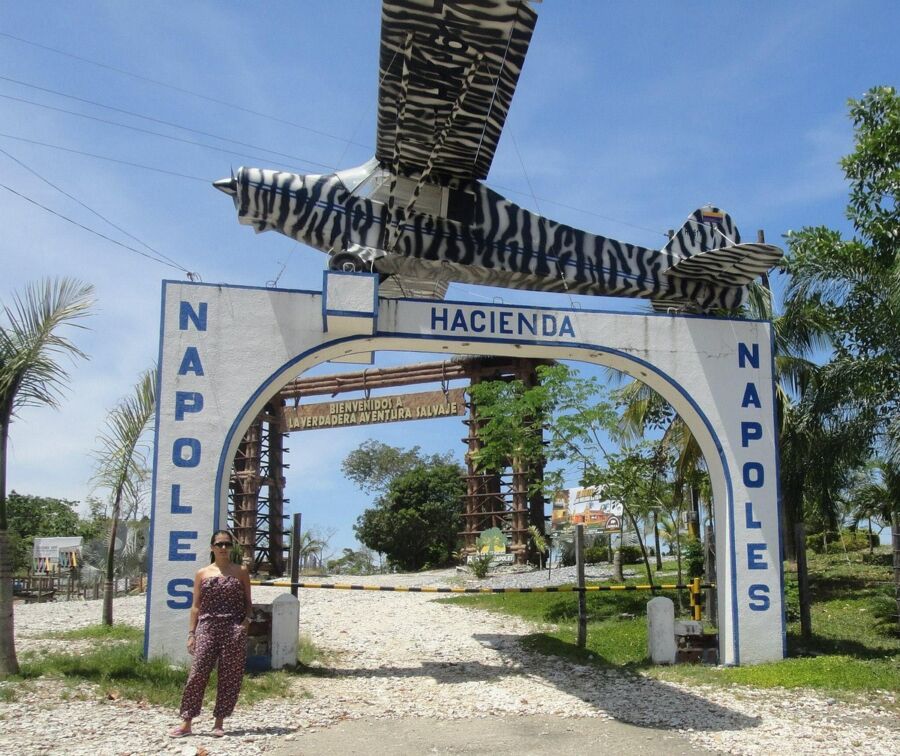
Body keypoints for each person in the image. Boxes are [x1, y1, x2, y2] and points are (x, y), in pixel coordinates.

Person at [169, 530, 253, 739]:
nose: (223, 548)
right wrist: (191, 633)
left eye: (227, 544)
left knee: (229, 676)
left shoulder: (241, 572)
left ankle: (219, 722)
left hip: (232, 629)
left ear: (231, 548)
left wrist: (245, 624)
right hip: (207, 628)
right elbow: (196, 606)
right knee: (197, 674)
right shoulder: (202, 573)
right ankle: (187, 722)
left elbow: (248, 603)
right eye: (219, 544)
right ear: (212, 547)